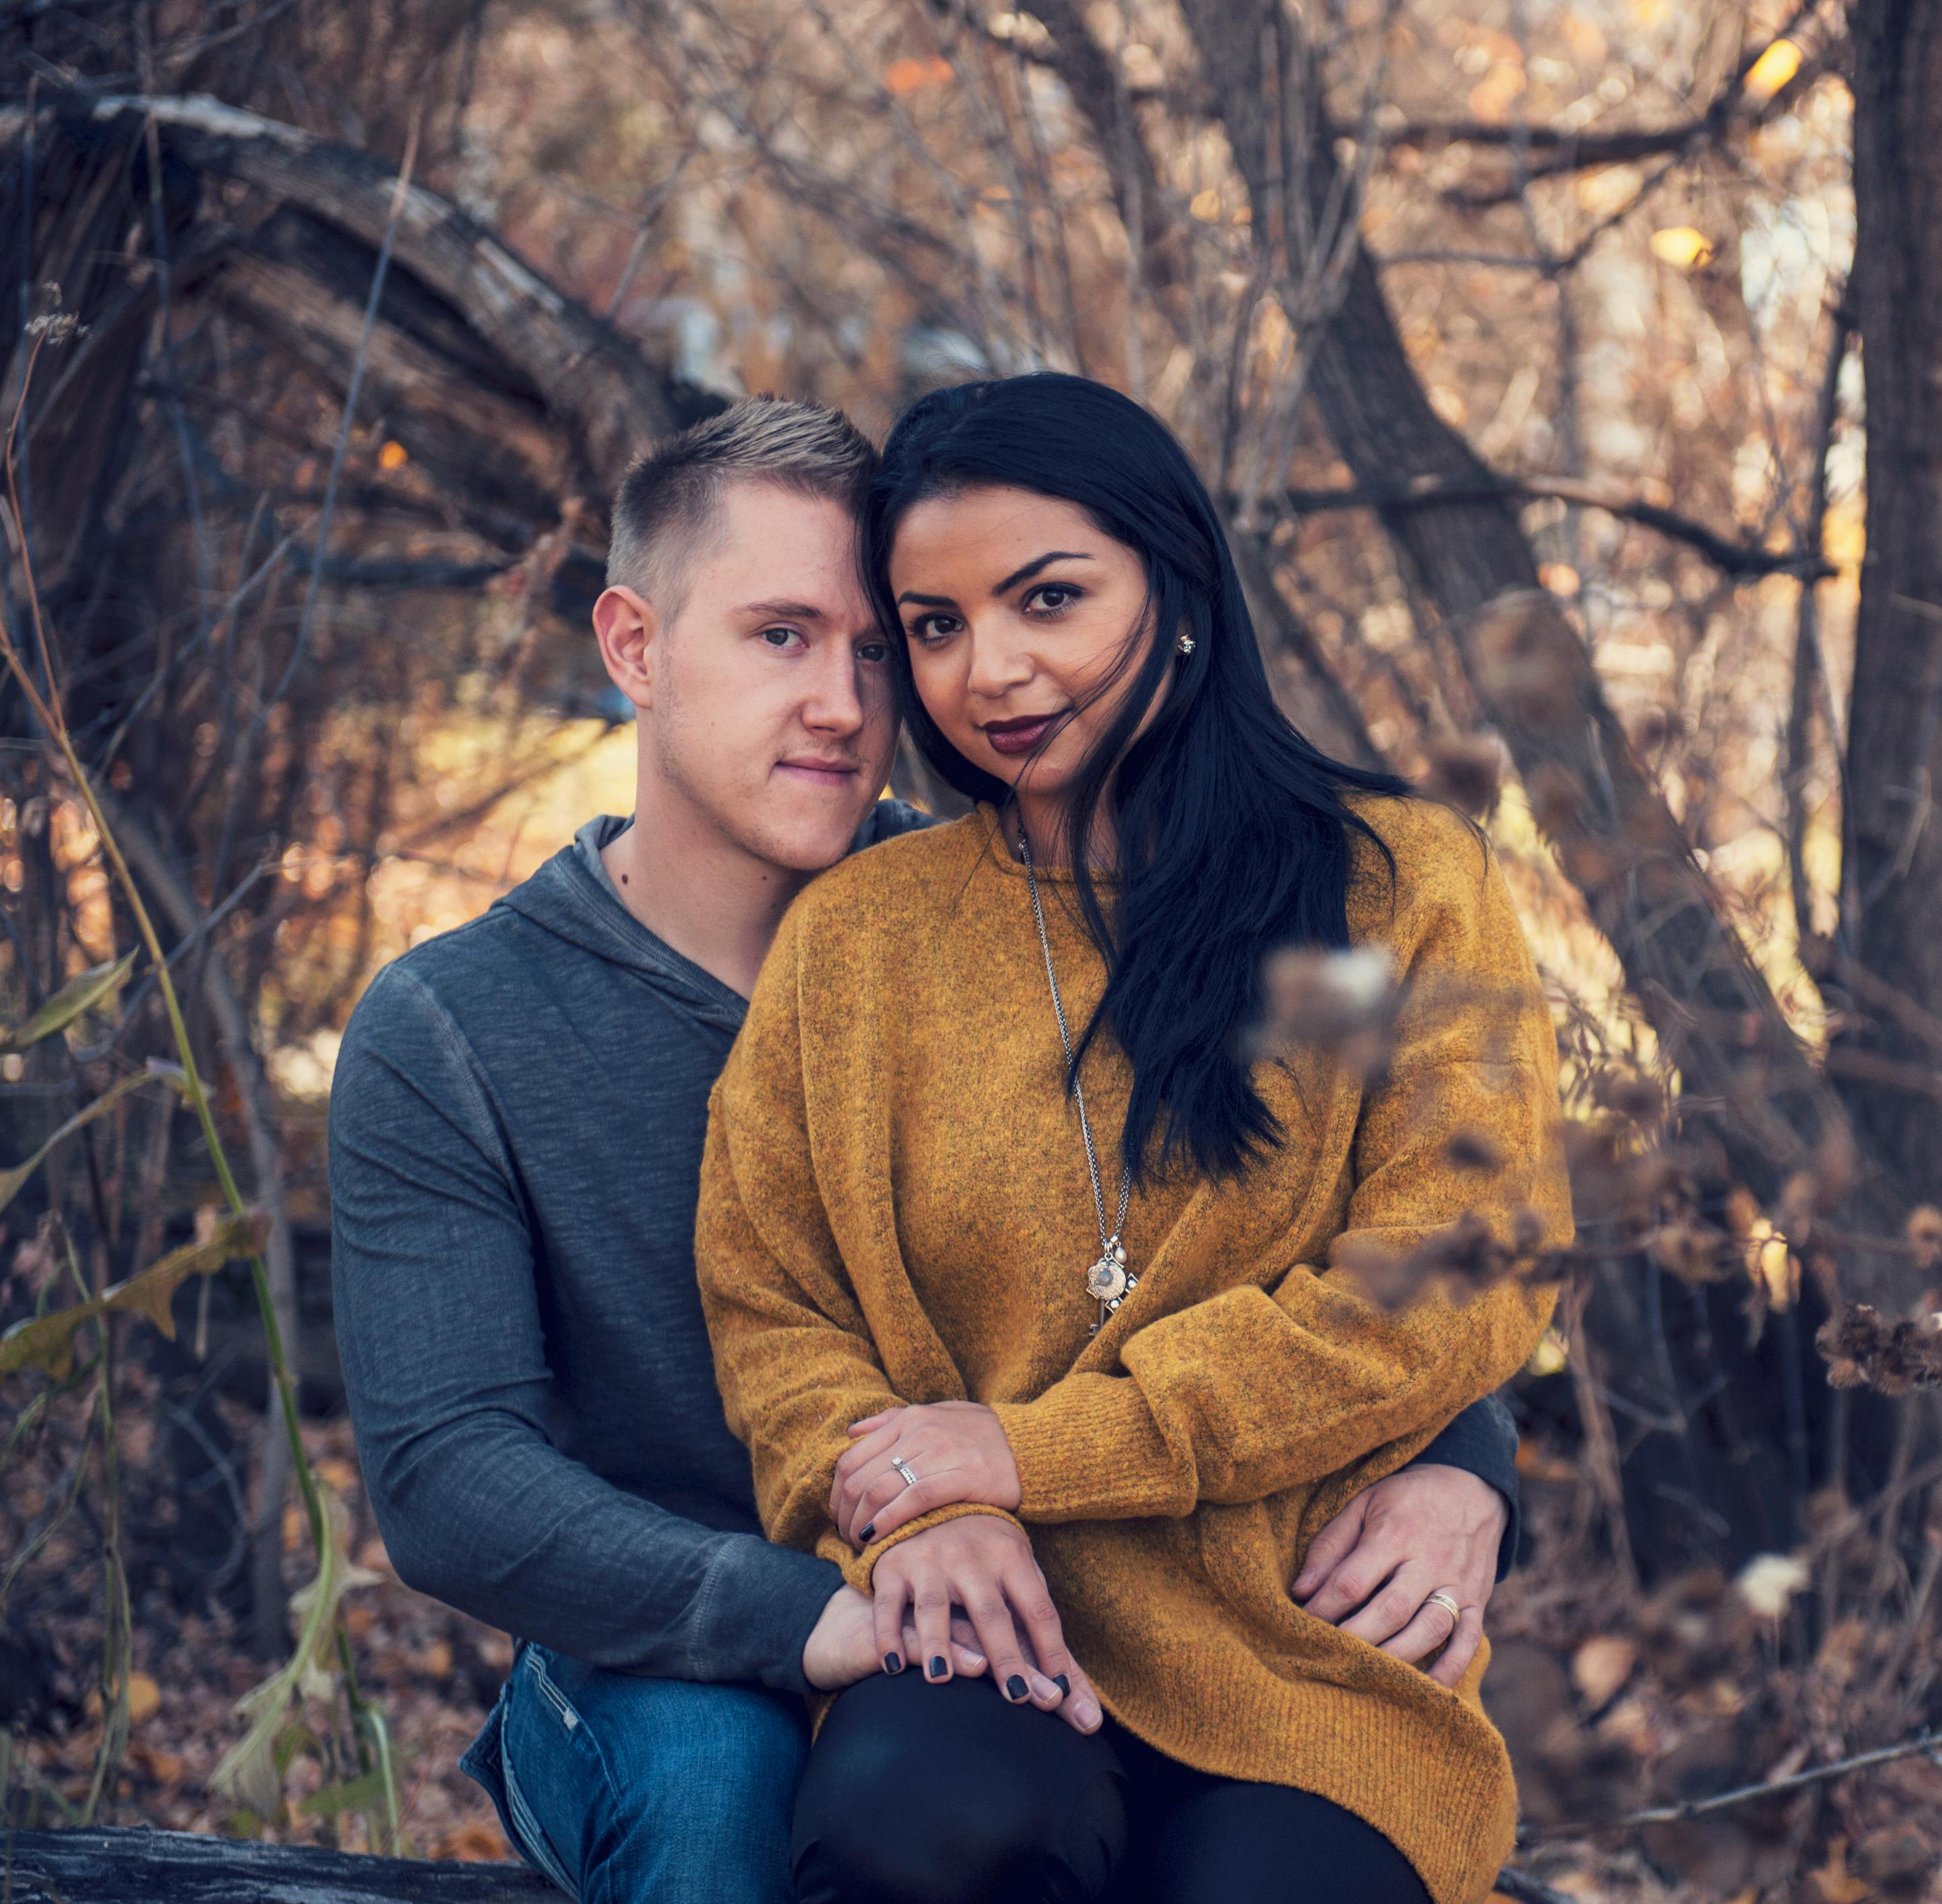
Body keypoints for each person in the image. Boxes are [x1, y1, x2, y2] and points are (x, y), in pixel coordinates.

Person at [328, 397, 1525, 1904]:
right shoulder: (459, 1022)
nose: (850, 700)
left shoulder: (1010, 884)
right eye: (781, 637)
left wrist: (1468, 1461)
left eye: (880, 648)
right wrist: (836, 1593)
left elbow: (1415, 1244)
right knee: (728, 1803)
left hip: (1074, 1601)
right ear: (633, 649)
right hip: (703, 1635)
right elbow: (450, 1478)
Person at [695, 373, 1569, 1904]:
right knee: (915, 1839)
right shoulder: (858, 941)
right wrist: (934, 1501)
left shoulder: (1402, 887)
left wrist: (1026, 1448)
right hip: (977, 1624)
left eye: (1049, 599)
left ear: (1174, 584)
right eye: (938, 627)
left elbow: (1456, 1272)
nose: (994, 673)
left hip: (1304, 1643)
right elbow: (775, 1306)